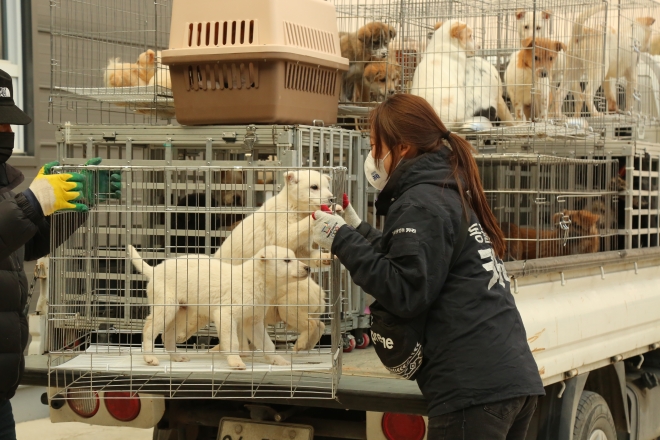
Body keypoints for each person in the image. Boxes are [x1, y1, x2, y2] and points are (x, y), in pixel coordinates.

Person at [311, 94, 545, 439]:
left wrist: (341, 240)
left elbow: (406, 290)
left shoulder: (421, 201)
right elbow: (420, 261)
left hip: (473, 389)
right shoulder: (442, 192)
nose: (372, 155)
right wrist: (357, 229)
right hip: (506, 379)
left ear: (403, 147)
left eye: (377, 145)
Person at [0, 68, 118, 439]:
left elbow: (20, 246)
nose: (7, 133)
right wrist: (33, 203)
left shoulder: (5, 181)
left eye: (8, 125)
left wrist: (68, 208)